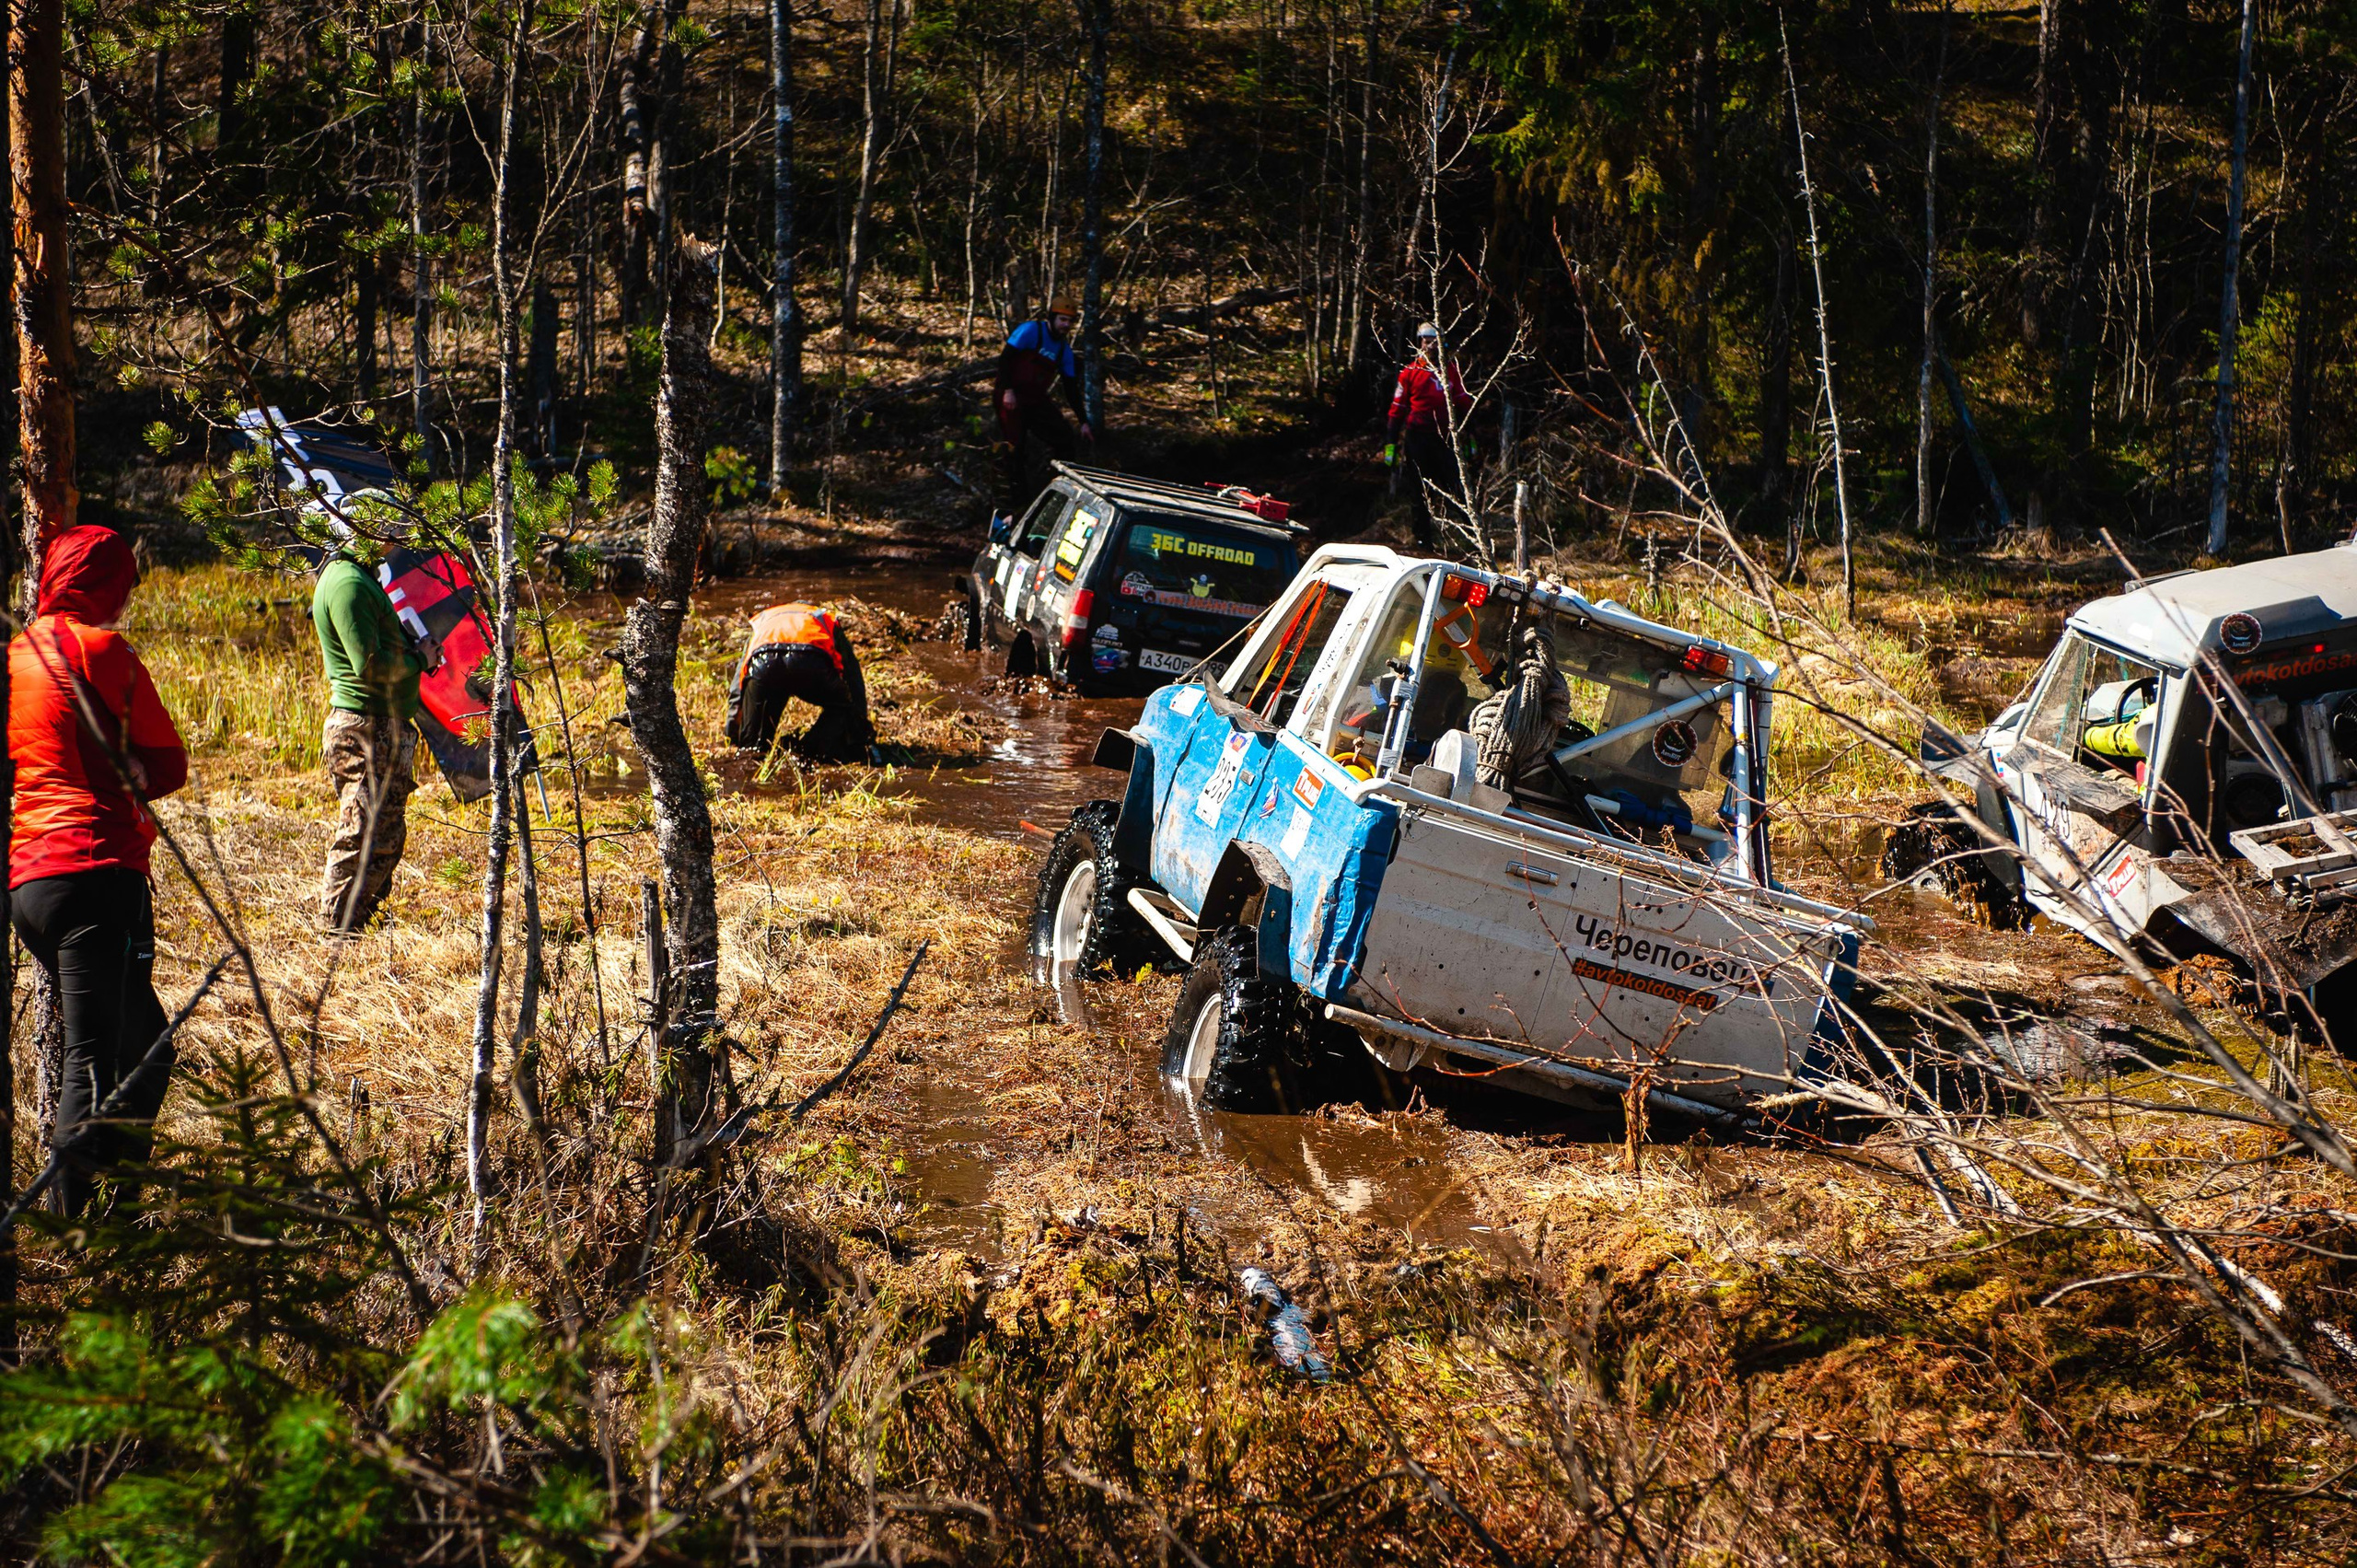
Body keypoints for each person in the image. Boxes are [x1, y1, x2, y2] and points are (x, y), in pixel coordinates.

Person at [8, 524, 189, 1216]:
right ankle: (72, 1234)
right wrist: (132, 769)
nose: (127, 599)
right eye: (125, 583)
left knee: (143, 1047)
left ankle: (118, 1210)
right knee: (93, 1063)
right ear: (102, 583)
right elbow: (168, 763)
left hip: (31, 885)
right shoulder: (103, 650)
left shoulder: (13, 659)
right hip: (96, 873)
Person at [312, 541, 438, 934]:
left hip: (381, 724)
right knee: (361, 831)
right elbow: (368, 665)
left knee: (386, 833)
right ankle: (336, 931)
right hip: (366, 727)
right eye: (381, 527)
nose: (391, 538)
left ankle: (361, 924)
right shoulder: (348, 583)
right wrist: (420, 659)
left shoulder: (358, 577)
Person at [725, 603, 874, 761]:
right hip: (811, 661)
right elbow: (853, 678)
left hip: (764, 664)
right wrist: (860, 732)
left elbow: (738, 685)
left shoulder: (763, 620)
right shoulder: (823, 617)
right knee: (843, 706)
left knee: (752, 751)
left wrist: (733, 735)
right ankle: (809, 750)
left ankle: (752, 753)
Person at [993, 296, 1095, 521]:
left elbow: (1071, 388)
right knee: (1015, 449)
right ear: (1052, 318)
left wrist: (1083, 421)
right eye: (1062, 320)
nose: (1066, 325)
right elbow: (1005, 360)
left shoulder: (1063, 351)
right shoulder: (1030, 331)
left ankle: (1056, 491)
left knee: (1064, 437)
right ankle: (1014, 506)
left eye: (1070, 321)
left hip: (1035, 399)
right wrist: (1008, 390)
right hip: (1011, 395)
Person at [1385, 322, 1474, 550]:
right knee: (1420, 491)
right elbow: (1396, 411)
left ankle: (1475, 540)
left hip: (1445, 439)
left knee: (1457, 488)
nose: (1431, 346)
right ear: (1420, 343)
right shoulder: (1409, 373)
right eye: (1427, 342)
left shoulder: (1451, 370)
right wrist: (1390, 446)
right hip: (1418, 439)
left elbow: (1463, 402)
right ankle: (1423, 542)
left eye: (1435, 342)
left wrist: (1471, 438)